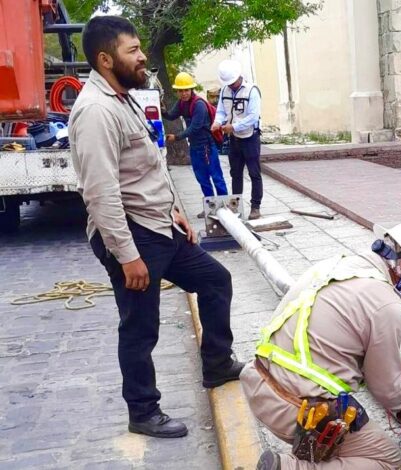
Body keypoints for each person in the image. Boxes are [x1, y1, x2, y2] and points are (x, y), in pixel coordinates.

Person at [69, 15, 245, 438]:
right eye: (133, 50)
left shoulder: (123, 96)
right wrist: (127, 256)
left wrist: (176, 211)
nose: (143, 55)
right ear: (105, 59)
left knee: (216, 280)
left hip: (159, 224)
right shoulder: (95, 111)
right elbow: (101, 193)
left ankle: (217, 365)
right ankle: (143, 412)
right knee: (140, 325)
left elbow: (148, 165)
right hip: (132, 234)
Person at [241, 222, 401, 470]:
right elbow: (387, 391)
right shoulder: (388, 306)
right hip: (291, 406)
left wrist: (394, 362)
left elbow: (338, 334)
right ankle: (288, 467)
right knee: (388, 461)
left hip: (258, 378)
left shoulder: (338, 264)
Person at [163, 71, 228, 217]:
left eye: (186, 90)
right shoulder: (181, 103)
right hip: (195, 146)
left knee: (216, 177)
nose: (184, 93)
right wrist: (161, 109)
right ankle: (211, 208)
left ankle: (225, 207)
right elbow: (171, 115)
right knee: (202, 179)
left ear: (191, 89)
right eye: (181, 90)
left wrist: (177, 137)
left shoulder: (199, 105)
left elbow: (195, 127)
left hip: (206, 146)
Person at [211, 60, 263, 220]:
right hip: (234, 139)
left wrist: (234, 126)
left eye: (233, 82)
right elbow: (221, 110)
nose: (231, 85)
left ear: (239, 76)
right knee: (235, 173)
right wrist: (217, 122)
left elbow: (253, 117)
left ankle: (255, 207)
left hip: (250, 137)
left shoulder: (251, 91)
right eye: (229, 83)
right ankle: (236, 207)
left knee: (254, 173)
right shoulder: (225, 90)